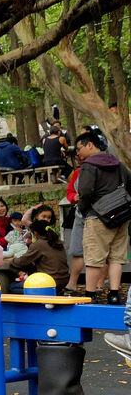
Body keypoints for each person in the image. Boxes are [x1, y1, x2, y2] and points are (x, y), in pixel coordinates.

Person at [74, 127, 131, 304]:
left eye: (78, 148)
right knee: (117, 257)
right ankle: (114, 294)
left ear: (90, 145)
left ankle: (90, 295)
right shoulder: (118, 164)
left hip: (98, 217)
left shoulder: (89, 166)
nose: (77, 152)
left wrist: (84, 210)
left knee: (94, 258)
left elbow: (85, 192)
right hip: (121, 216)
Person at [9, 220, 69, 292]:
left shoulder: (39, 244)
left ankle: (40, 296)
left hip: (50, 282)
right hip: (64, 281)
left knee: (12, 286)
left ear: (35, 233)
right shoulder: (58, 242)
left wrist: (11, 260)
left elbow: (21, 262)